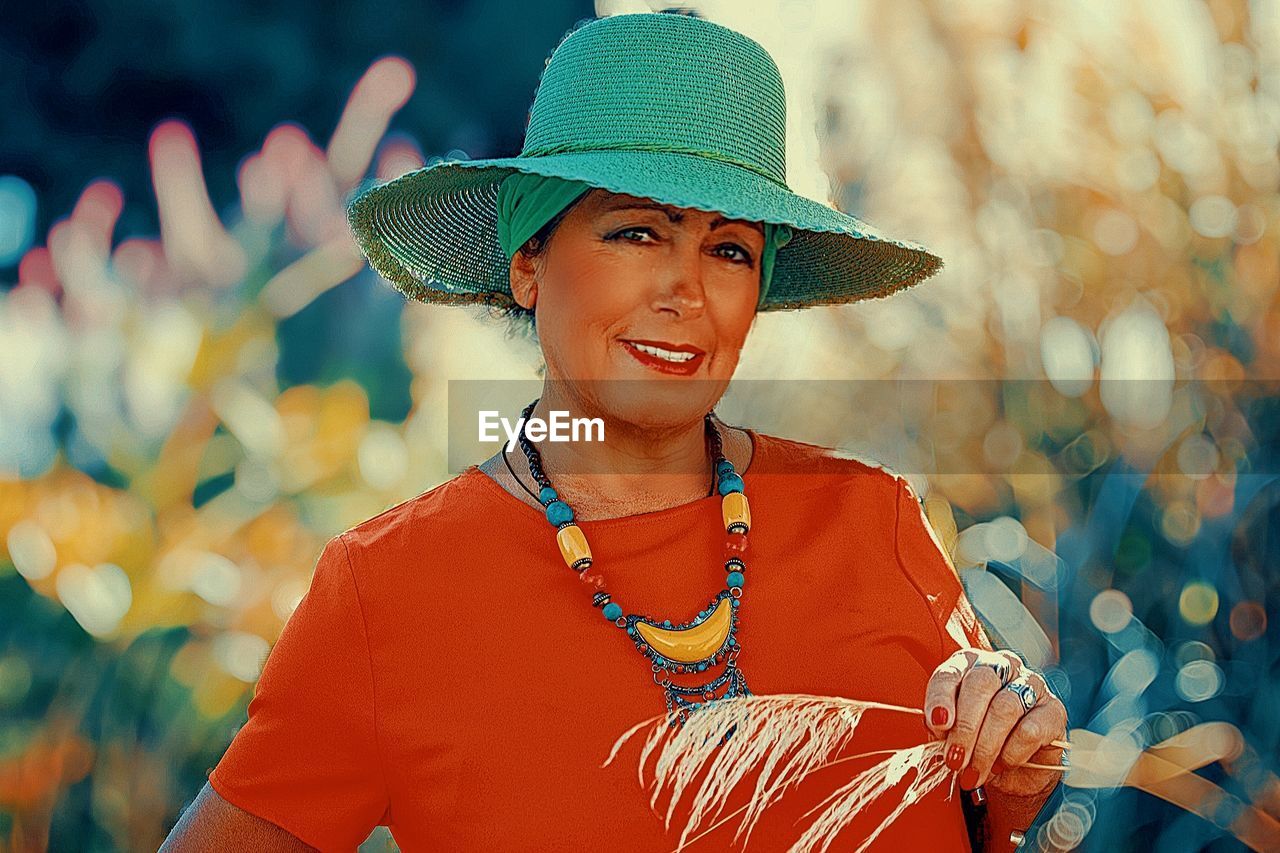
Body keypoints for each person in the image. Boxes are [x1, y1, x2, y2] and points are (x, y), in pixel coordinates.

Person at [161, 12, 1067, 852]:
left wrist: (1013, 769)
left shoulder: (873, 521)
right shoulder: (389, 590)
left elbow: (977, 806)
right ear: (528, 264)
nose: (686, 292)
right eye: (637, 233)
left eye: (728, 250)